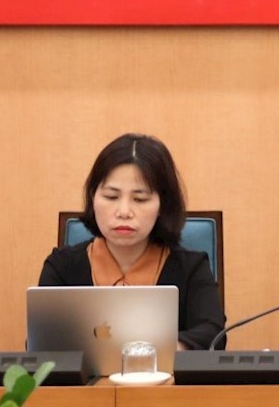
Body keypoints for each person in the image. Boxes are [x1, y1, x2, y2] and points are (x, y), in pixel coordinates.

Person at [37, 133, 225, 350]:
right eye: (111, 197)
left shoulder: (191, 268)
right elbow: (41, 343)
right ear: (93, 198)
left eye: (140, 199)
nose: (124, 212)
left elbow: (213, 336)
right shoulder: (61, 267)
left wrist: (156, 353)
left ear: (163, 205)